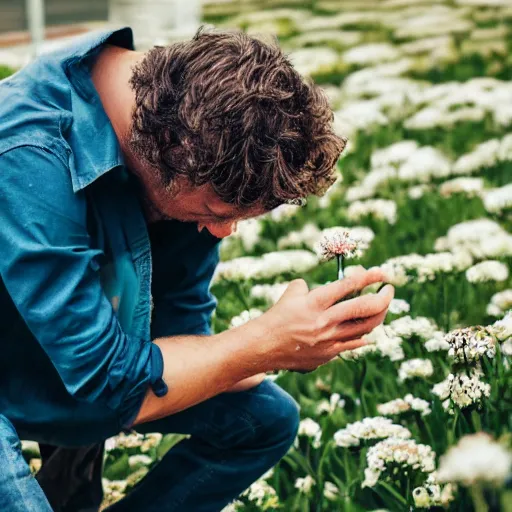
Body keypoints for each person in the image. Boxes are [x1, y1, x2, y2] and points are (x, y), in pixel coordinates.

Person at [0, 26, 394, 511]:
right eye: (216, 213)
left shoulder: (185, 140)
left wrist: (288, 340)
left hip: (57, 368)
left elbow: (177, 337)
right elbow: (110, 383)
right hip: (38, 379)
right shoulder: (27, 151)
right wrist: (259, 343)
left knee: (264, 420)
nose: (223, 231)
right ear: (172, 148)